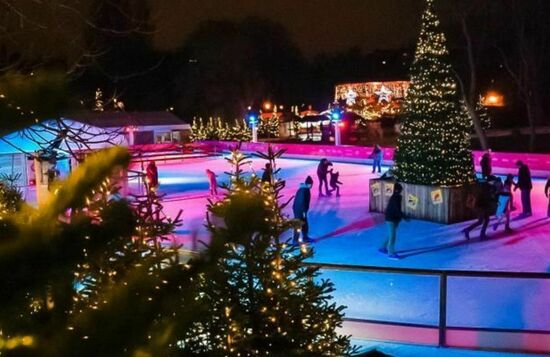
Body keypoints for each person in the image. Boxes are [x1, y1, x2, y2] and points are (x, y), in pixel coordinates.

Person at [379, 182, 407, 259]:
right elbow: (396, 209)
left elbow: (397, 209)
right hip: (391, 218)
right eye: (401, 189)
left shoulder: (396, 196)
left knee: (391, 234)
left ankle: (382, 247)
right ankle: (390, 253)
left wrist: (401, 217)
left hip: (393, 218)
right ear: (398, 190)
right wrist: (404, 216)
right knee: (392, 235)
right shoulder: (396, 197)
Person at [292, 176, 314, 244]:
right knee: (298, 224)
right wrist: (304, 211)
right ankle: (295, 240)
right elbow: (302, 200)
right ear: (309, 184)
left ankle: (305, 237)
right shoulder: (304, 190)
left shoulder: (303, 189)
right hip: (300, 210)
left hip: (299, 209)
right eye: (311, 185)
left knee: (304, 224)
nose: (311, 186)